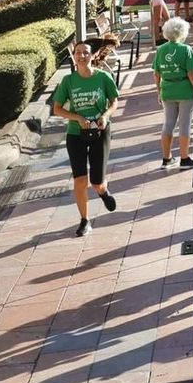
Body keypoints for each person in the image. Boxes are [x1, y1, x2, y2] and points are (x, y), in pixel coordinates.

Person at [50, 37, 119, 235]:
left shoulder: (103, 77)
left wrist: (105, 116)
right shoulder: (68, 81)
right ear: (74, 57)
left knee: (96, 181)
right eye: (78, 52)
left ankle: (103, 191)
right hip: (75, 134)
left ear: (93, 55)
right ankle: (84, 220)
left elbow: (114, 102)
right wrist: (78, 118)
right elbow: (57, 109)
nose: (82, 56)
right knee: (80, 181)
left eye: (86, 52)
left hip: (100, 131)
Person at [152, 13, 193, 169]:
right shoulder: (186, 49)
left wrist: (158, 90)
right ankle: (184, 158)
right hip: (185, 90)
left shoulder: (161, 49)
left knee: (168, 124)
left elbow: (156, 73)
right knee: (184, 125)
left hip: (167, 90)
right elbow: (191, 72)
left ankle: (166, 158)